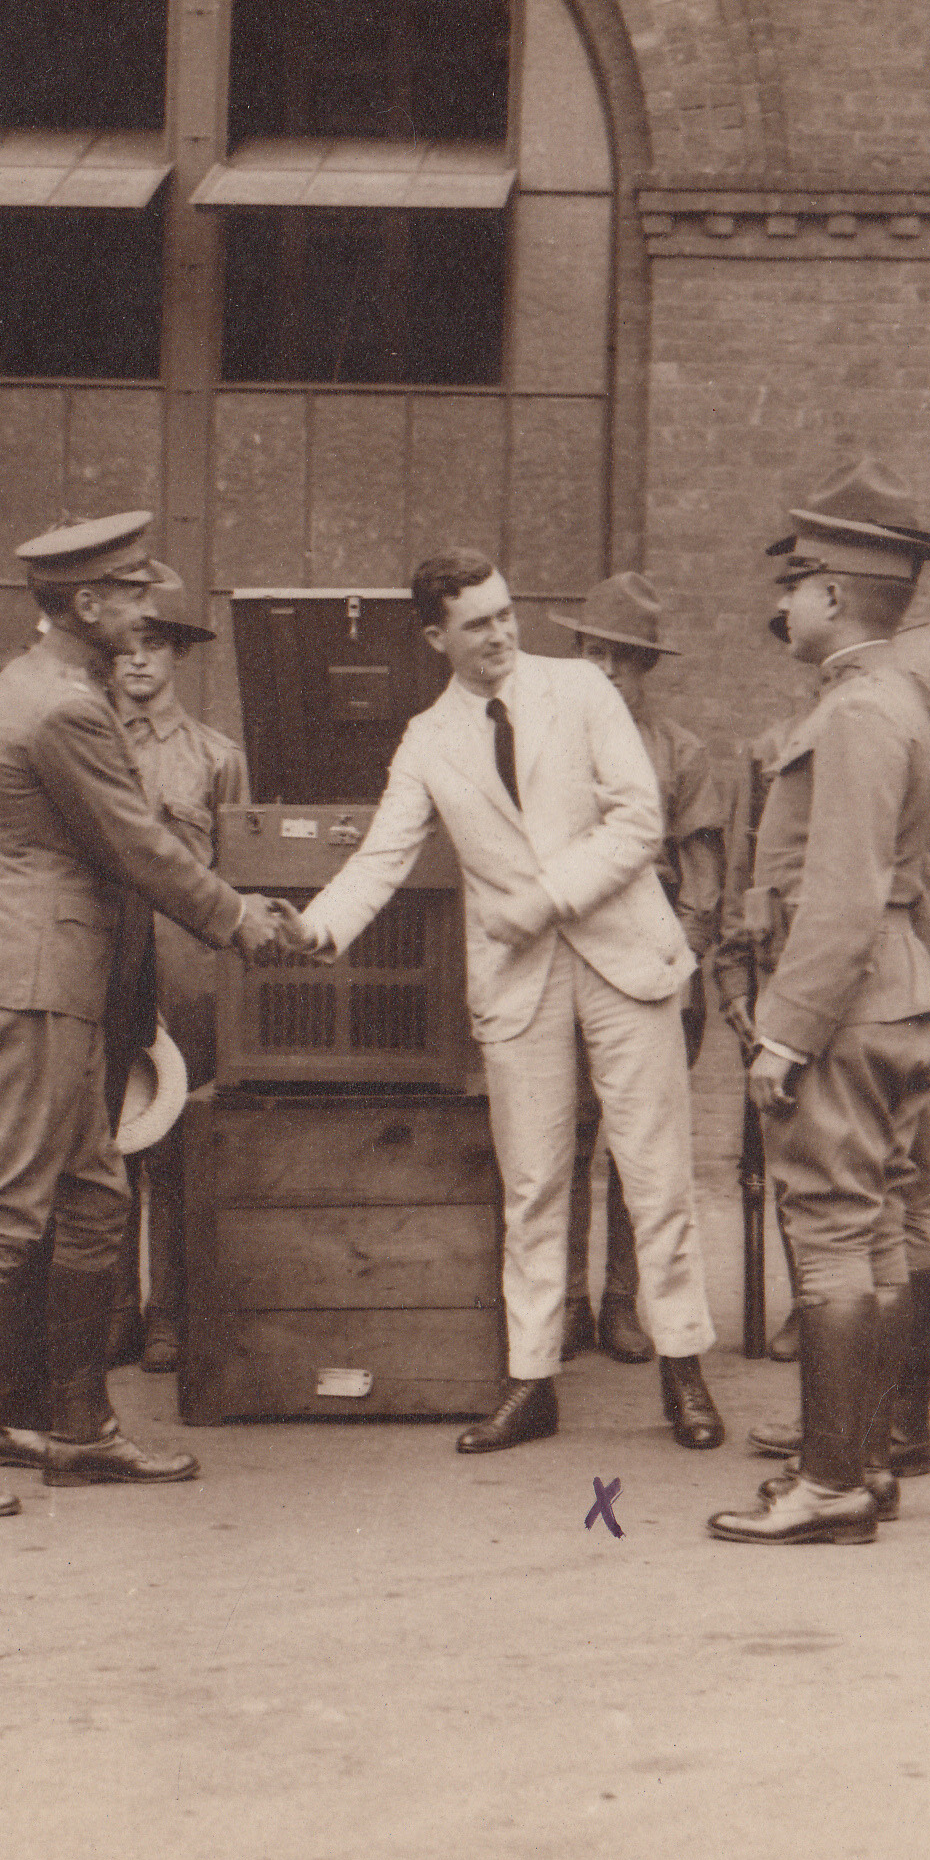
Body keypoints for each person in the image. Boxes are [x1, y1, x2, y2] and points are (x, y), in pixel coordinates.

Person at [0, 512, 290, 1518]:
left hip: (43, 980)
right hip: (34, 984)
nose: (147, 612)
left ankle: (81, 1427)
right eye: (132, 594)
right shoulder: (61, 710)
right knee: (4, 1218)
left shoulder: (33, 684)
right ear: (86, 604)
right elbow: (138, 845)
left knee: (95, 1202)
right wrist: (241, 921)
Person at [294, 549, 722, 1457]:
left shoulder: (582, 689)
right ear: (434, 636)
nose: (499, 634)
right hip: (520, 984)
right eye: (477, 623)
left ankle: (684, 1367)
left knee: (655, 1174)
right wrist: (314, 929)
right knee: (532, 1184)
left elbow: (638, 820)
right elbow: (381, 856)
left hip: (624, 957)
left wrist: (543, 900)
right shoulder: (427, 738)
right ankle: (532, 1381)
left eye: (504, 613)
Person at [729, 455, 930, 1484]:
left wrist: (783, 1035)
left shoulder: (859, 711)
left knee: (834, 1235)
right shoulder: (891, 697)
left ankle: (831, 1483)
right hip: (896, 984)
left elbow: (842, 896)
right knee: (878, 1224)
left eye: (794, 583)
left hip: (852, 996)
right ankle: (868, 1458)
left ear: (833, 596)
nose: (783, 602)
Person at [550, 572, 724, 1367]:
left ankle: (623, 1302)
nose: (609, 670)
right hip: (566, 957)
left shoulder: (679, 752)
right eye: (595, 653)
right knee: (563, 1137)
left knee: (638, 1146)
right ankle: (567, 1302)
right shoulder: (546, 748)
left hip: (650, 964)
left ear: (647, 666)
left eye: (625, 657)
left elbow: (703, 883)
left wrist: (675, 973)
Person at [110, 584, 249, 1374]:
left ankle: (168, 1313)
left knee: (173, 1145)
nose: (137, 659)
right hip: (108, 959)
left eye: (155, 644)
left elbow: (235, 881)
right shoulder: (89, 741)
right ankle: (113, 1312)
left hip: (187, 970)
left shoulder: (216, 757)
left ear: (181, 654)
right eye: (128, 642)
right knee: (108, 1138)